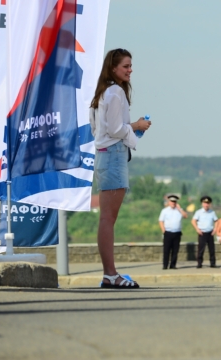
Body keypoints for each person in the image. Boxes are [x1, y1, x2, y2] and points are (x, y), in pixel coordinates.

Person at [90, 48, 151, 289]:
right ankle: (110, 274)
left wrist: (130, 128)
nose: (130, 70)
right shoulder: (115, 92)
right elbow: (116, 129)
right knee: (107, 219)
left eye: (130, 66)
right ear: (113, 68)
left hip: (106, 155)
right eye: (126, 66)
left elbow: (98, 129)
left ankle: (110, 273)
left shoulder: (103, 93)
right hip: (113, 155)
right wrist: (136, 125)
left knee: (107, 218)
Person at [159, 194, 187, 269]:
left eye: (174, 201)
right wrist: (164, 231)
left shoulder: (179, 210)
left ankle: (173, 265)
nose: (173, 203)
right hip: (168, 232)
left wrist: (180, 209)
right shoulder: (165, 211)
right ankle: (165, 265)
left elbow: (185, 216)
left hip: (177, 232)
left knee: (175, 250)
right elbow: (161, 221)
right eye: (171, 201)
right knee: (166, 250)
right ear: (169, 202)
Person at [192, 196, 218, 268]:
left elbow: (216, 221)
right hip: (202, 233)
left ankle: (212, 263)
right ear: (202, 204)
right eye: (205, 203)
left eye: (208, 203)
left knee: (212, 249)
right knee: (201, 249)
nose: (206, 205)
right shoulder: (198, 212)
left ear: (209, 204)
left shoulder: (212, 212)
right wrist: (197, 229)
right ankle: (199, 263)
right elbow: (193, 221)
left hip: (210, 232)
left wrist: (215, 229)